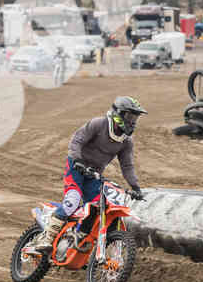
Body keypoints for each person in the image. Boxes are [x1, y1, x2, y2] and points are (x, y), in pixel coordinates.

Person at [36, 96, 147, 250]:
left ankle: (80, 237)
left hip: (94, 175)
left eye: (135, 118)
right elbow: (77, 140)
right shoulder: (99, 124)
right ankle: (46, 238)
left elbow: (127, 165)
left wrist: (135, 187)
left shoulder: (126, 141)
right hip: (76, 167)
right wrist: (77, 160)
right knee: (73, 200)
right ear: (119, 114)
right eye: (130, 116)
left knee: (99, 207)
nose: (133, 121)